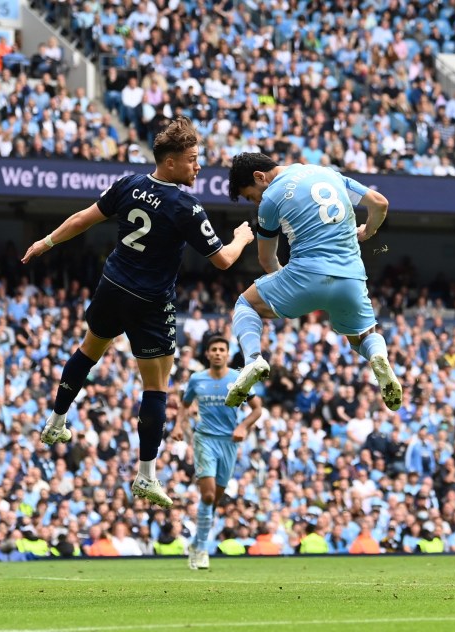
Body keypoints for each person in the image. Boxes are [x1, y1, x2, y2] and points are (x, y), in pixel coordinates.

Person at [21, 117, 255, 508]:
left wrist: (46, 242)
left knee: (88, 350)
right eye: (193, 159)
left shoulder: (129, 183)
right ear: (169, 163)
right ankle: (146, 475)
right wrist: (241, 238)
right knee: (157, 385)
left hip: (112, 285)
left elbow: (84, 218)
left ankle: (56, 421)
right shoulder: (185, 206)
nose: (198, 166)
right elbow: (224, 262)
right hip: (149, 301)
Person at [224, 153, 402, 412]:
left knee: (246, 304)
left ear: (259, 177)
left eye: (252, 196)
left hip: (305, 274)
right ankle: (378, 357)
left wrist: (287, 288)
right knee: (362, 337)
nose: (256, 202)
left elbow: (266, 259)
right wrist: (367, 231)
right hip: (351, 277)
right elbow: (379, 203)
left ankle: (252, 360)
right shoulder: (328, 173)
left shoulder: (271, 199)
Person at [171, 335, 262, 570]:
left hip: (229, 442)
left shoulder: (239, 378)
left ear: (227, 353)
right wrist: (178, 425)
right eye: (214, 349)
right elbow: (184, 404)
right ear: (208, 354)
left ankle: (196, 542)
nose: (218, 353)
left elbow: (257, 408)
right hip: (205, 440)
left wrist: (243, 426)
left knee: (214, 499)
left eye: (222, 349)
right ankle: (201, 548)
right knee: (209, 495)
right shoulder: (197, 379)